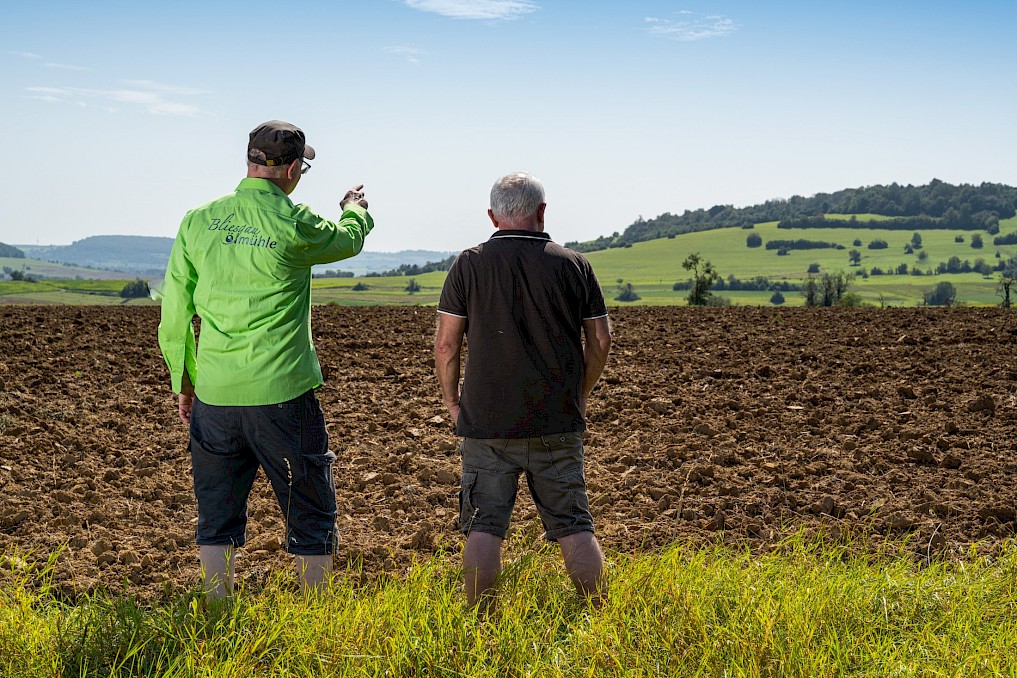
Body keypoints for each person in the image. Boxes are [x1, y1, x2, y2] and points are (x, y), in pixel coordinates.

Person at [158, 120, 373, 597]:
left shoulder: (198, 220)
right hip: (283, 396)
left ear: (250, 161)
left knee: (216, 511)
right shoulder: (296, 224)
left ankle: (218, 610)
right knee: (311, 508)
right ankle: (314, 615)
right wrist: (355, 211)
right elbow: (348, 241)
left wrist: (185, 382)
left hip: (214, 395)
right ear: (294, 169)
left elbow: (174, 314)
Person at [434, 172, 612, 608]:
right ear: (541, 211)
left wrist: (453, 402)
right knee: (574, 524)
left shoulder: (469, 264)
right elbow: (601, 342)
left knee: (484, 525)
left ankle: (480, 624)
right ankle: (602, 616)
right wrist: (580, 394)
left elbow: (446, 344)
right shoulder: (574, 265)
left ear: (493, 216)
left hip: (487, 424)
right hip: (556, 421)